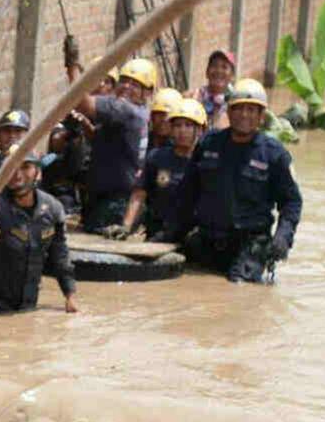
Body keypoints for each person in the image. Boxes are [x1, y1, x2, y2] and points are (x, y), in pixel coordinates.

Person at [154, 78, 301, 283]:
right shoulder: (209, 144)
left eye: (252, 110)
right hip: (208, 238)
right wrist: (169, 233)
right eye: (239, 109)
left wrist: (283, 237)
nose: (244, 115)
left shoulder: (275, 155)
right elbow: (187, 194)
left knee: (237, 290)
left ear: (261, 116)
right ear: (229, 112)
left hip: (249, 245)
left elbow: (292, 202)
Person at [0, 147, 78, 314]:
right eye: (11, 167)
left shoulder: (52, 209)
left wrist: (70, 295)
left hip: (25, 303)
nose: (17, 174)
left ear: (38, 173)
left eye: (25, 167)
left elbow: (60, 255)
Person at [64, 37, 156, 234]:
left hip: (114, 203)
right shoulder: (139, 113)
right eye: (124, 81)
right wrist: (87, 127)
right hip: (112, 199)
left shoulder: (125, 110)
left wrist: (71, 66)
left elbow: (84, 103)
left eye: (135, 85)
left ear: (147, 92)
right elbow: (107, 142)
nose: (126, 87)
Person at [110, 98, 207, 240]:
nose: (182, 131)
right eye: (177, 125)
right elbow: (139, 194)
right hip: (159, 232)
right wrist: (126, 226)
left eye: (188, 125)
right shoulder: (157, 157)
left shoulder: (205, 161)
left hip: (192, 236)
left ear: (200, 129)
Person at [39, 113, 90, 216]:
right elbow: (56, 139)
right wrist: (67, 134)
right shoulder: (60, 129)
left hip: (70, 190)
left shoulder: (87, 136)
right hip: (53, 186)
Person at [188, 49, 235, 130]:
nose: (218, 71)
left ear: (232, 75)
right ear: (206, 72)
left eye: (224, 67)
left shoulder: (236, 102)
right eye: (214, 66)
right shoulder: (193, 97)